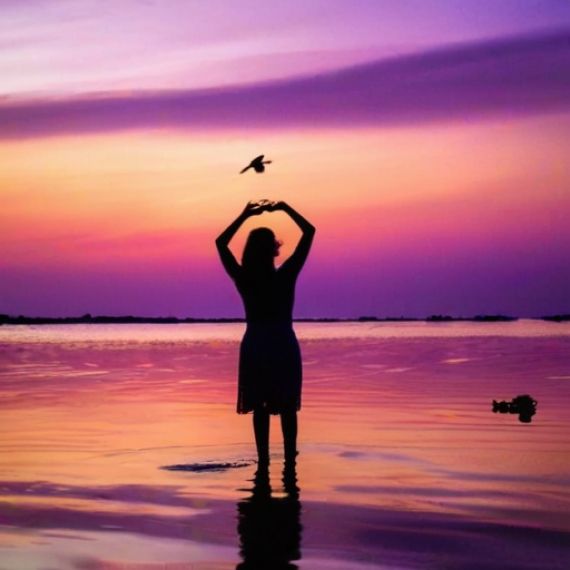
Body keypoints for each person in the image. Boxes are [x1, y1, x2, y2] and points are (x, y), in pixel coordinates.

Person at [216, 200, 315, 469]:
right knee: (286, 407)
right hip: (282, 343)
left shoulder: (243, 278)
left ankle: (263, 462)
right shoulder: (285, 276)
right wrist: (285, 208)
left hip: (257, 344)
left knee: (259, 406)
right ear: (274, 250)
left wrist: (244, 214)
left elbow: (220, 243)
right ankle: (289, 462)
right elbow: (309, 232)